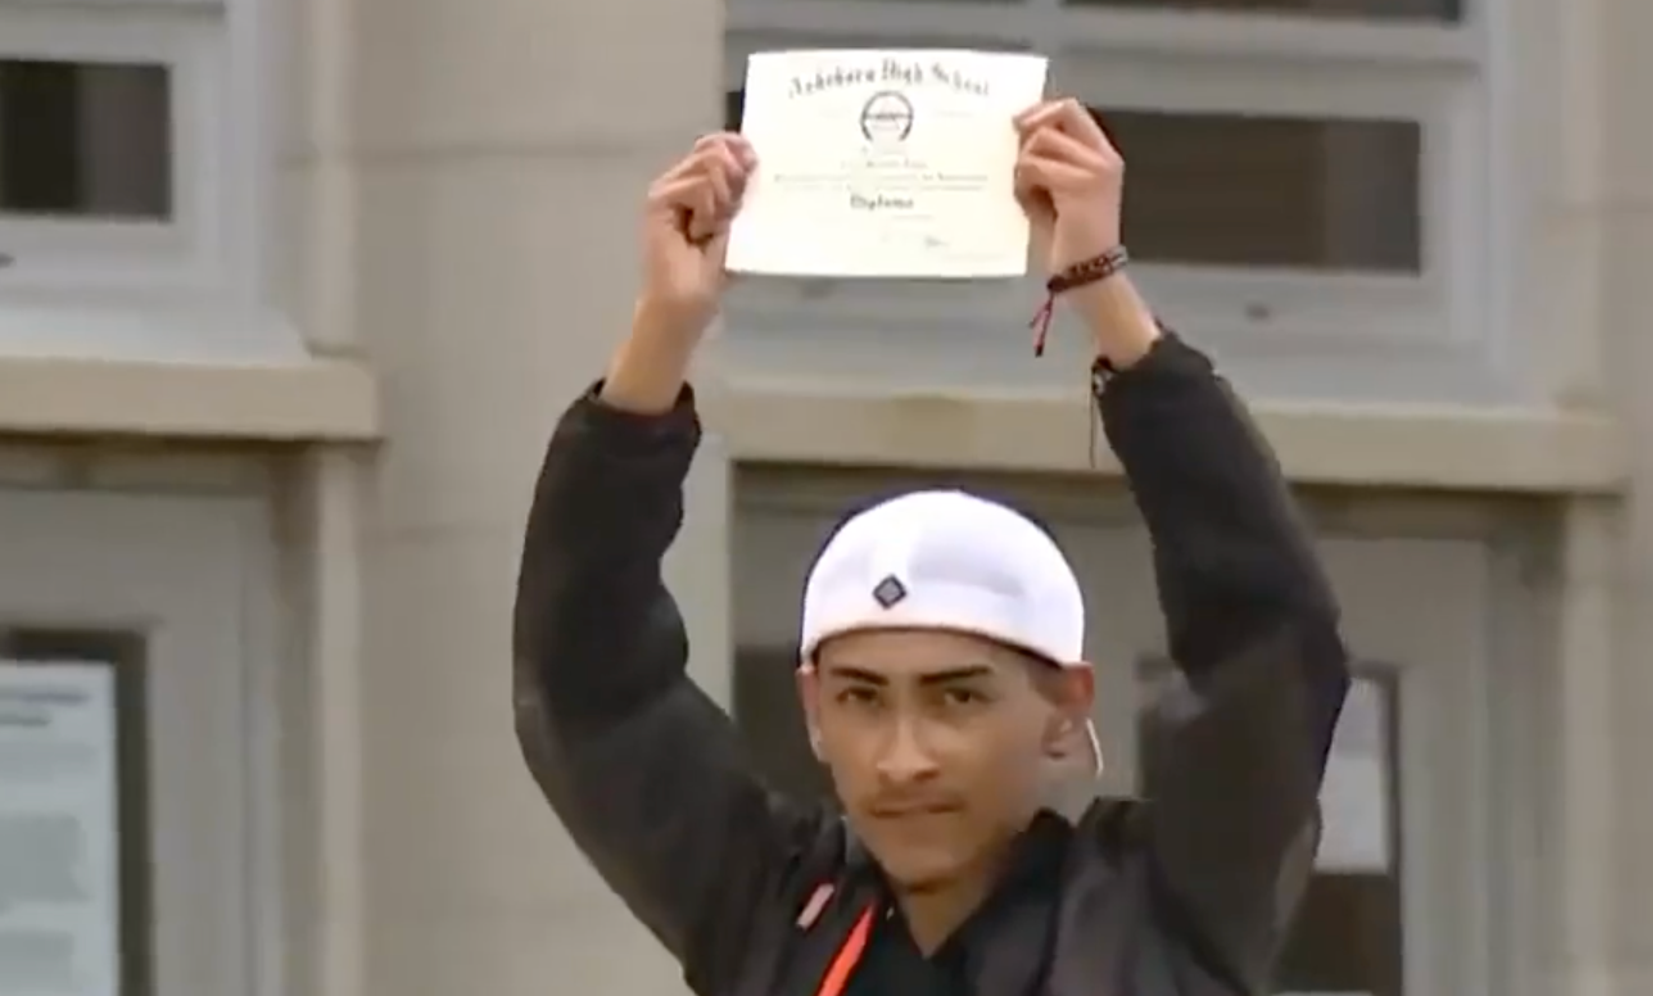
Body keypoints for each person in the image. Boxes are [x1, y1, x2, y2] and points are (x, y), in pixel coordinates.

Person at [513, 99, 1351, 996]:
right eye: (863, 699)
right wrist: (664, 329)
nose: (903, 757)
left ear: (1067, 706)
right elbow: (588, 683)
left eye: (958, 698)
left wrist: (1103, 293)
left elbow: (1267, 640)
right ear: (812, 711)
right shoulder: (768, 907)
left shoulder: (1162, 907)